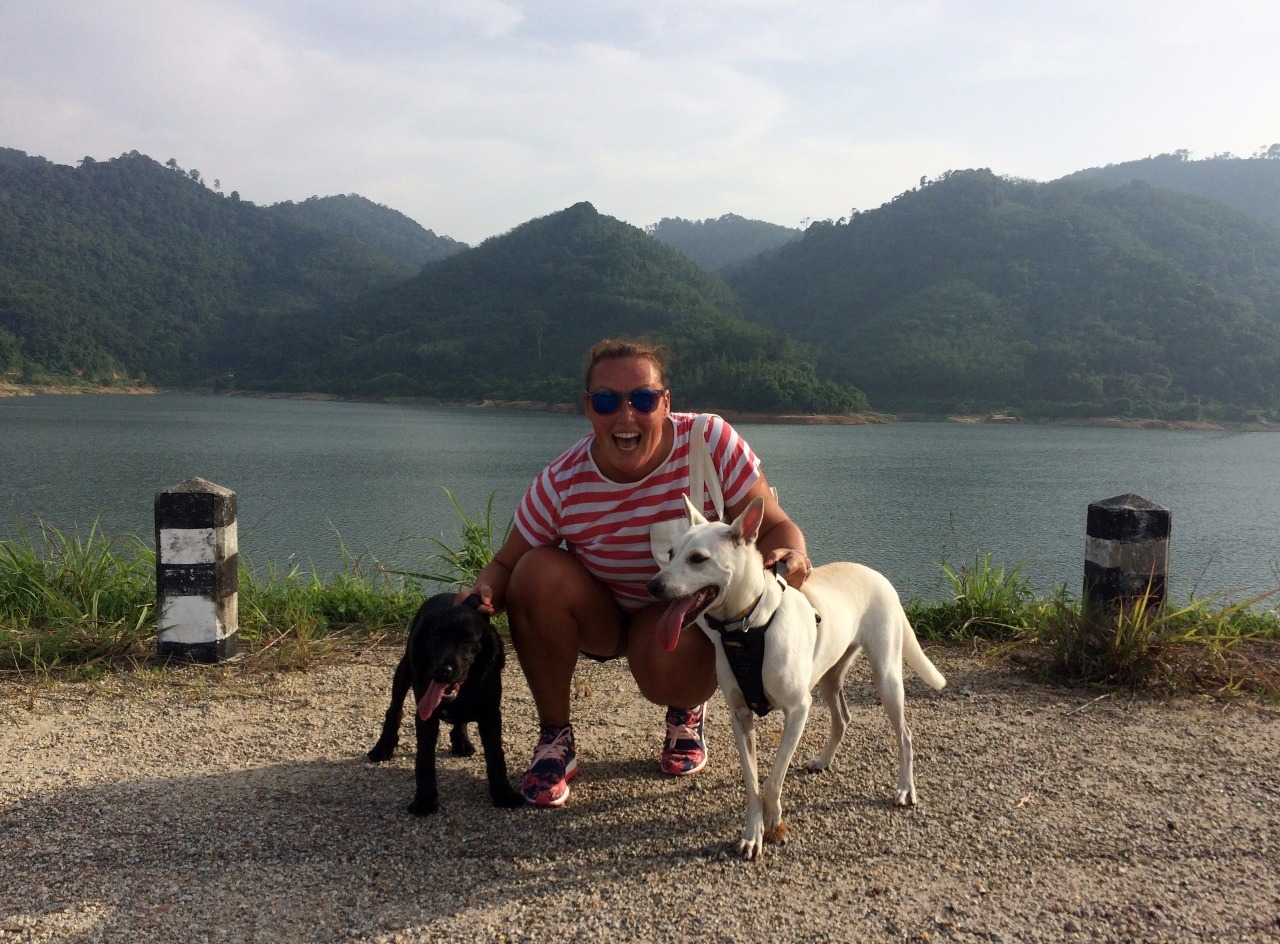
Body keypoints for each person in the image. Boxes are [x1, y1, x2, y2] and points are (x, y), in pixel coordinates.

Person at [463, 338, 810, 807]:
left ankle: (685, 710)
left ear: (665, 403)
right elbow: (505, 565)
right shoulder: (562, 481)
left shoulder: (709, 442)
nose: (626, 416)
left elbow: (774, 525)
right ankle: (554, 739)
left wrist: (792, 554)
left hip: (681, 617)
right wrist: (478, 597)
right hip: (602, 615)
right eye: (607, 401)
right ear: (588, 407)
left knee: (667, 661)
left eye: (643, 399)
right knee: (533, 572)